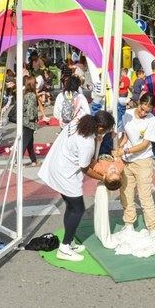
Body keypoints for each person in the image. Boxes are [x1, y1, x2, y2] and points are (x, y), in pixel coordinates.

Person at [39, 111, 115, 262]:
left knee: (71, 206)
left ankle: (70, 240)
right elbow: (85, 168)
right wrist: (104, 178)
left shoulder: (78, 123)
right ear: (100, 128)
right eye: (106, 130)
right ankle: (65, 248)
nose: (106, 133)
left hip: (56, 165)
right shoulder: (86, 143)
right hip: (65, 174)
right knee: (78, 209)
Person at [113, 93, 155, 238]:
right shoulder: (127, 114)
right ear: (139, 103)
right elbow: (125, 135)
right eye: (142, 109)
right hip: (127, 161)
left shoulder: (152, 121)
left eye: (147, 111)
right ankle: (129, 224)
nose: (143, 113)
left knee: (145, 195)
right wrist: (118, 148)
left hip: (143, 160)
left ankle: (152, 227)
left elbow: (144, 144)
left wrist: (125, 150)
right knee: (126, 193)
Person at [22, 76, 39, 167]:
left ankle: (34, 160)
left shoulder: (25, 93)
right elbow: (30, 110)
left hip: (24, 120)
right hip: (29, 122)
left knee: (29, 142)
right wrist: (34, 118)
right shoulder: (32, 95)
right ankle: (17, 161)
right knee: (25, 142)